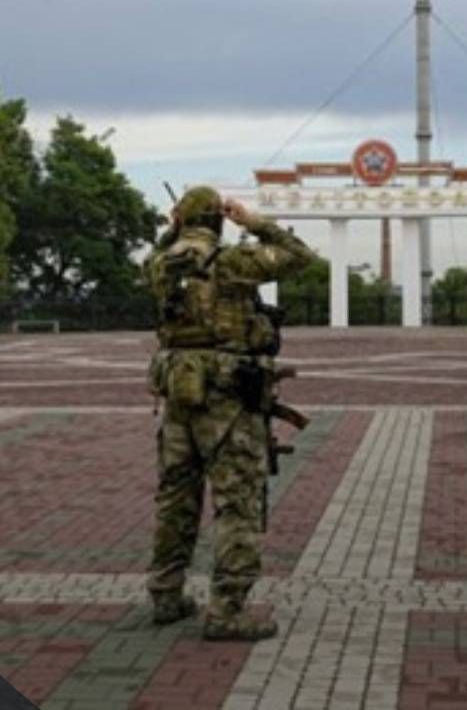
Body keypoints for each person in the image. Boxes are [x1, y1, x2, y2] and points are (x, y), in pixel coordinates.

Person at [144, 186, 315, 641]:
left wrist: (171, 231)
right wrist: (253, 222)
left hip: (179, 396)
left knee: (175, 499)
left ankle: (166, 593)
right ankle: (227, 609)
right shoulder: (229, 262)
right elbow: (299, 256)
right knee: (237, 502)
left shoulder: (161, 264)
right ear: (218, 219)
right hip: (228, 403)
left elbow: (155, 259)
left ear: (181, 218)